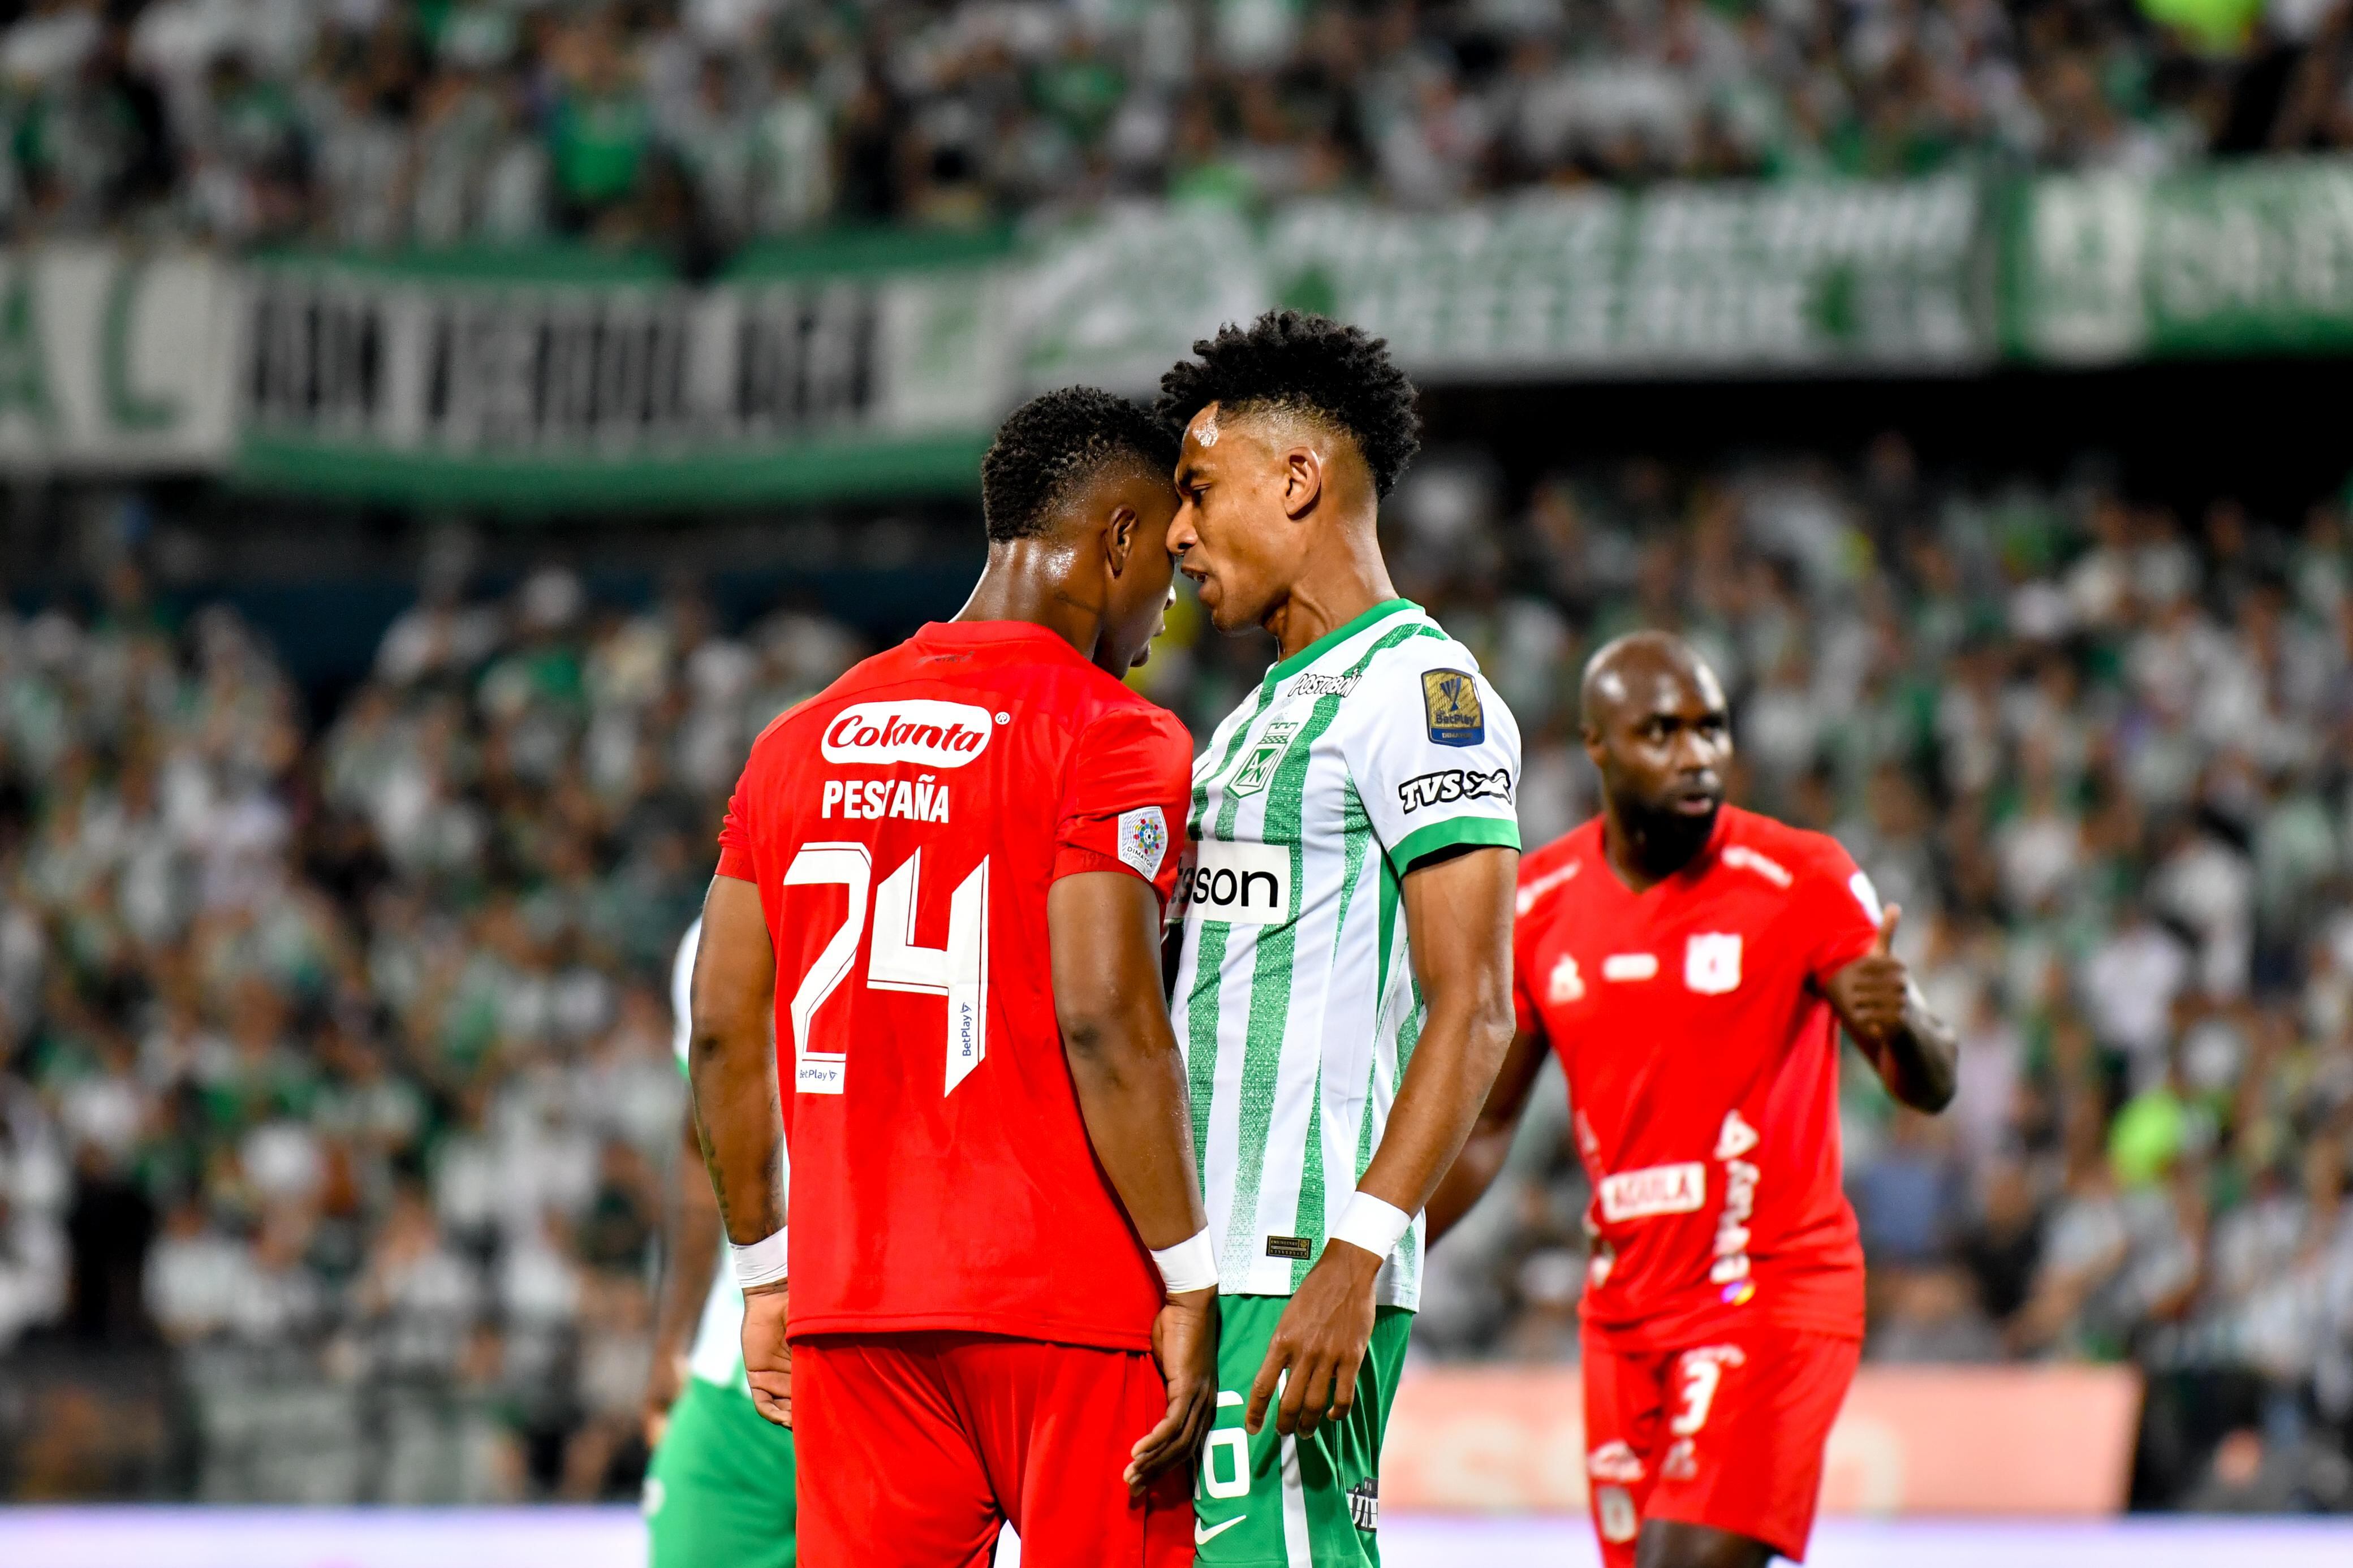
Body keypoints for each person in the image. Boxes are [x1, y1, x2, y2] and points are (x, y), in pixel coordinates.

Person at [688, 387, 1219, 1567]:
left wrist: (764, 1268)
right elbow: (1105, 1020)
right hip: (1070, 1307)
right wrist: (1189, 1278)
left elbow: (723, 1030)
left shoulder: (795, 739)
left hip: (856, 1309)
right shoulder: (1112, 732)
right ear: (1116, 538)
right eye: (1164, 567)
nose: (1165, 601)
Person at [1427, 630, 1959, 1568]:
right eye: (1661, 731)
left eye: (1711, 729)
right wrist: (1377, 1251)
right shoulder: (1541, 901)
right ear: (1597, 744)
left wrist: (1907, 1017)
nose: (1696, 754)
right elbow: (1489, 1125)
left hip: (1767, 1290)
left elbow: (1926, 1084)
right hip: (1624, 1312)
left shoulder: (1800, 877)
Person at [1157, 310, 1522, 1565]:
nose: (1177, 535)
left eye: (1198, 492)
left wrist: (1353, 1257)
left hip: (1296, 1257)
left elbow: (1474, 1005)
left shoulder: (1424, 694)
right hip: (1204, 1265)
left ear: (1298, 479)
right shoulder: (1255, 714)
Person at [641, 918, 798, 1567]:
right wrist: (672, 1340)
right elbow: (700, 1140)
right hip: (740, 1368)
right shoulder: (718, 927)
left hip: (892, 1369)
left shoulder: (722, 929)